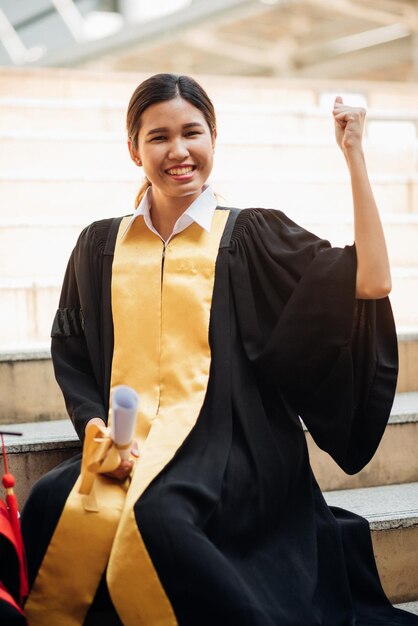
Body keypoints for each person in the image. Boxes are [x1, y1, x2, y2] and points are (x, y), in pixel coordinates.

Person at [21, 73, 418, 626]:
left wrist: (354, 155)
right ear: (133, 147)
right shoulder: (99, 245)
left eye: (192, 132)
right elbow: (72, 354)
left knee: (161, 516)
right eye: (159, 137)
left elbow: (371, 281)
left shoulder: (249, 237)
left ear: (213, 138)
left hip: (231, 445)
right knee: (52, 502)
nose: (178, 150)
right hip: (126, 444)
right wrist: (99, 429)